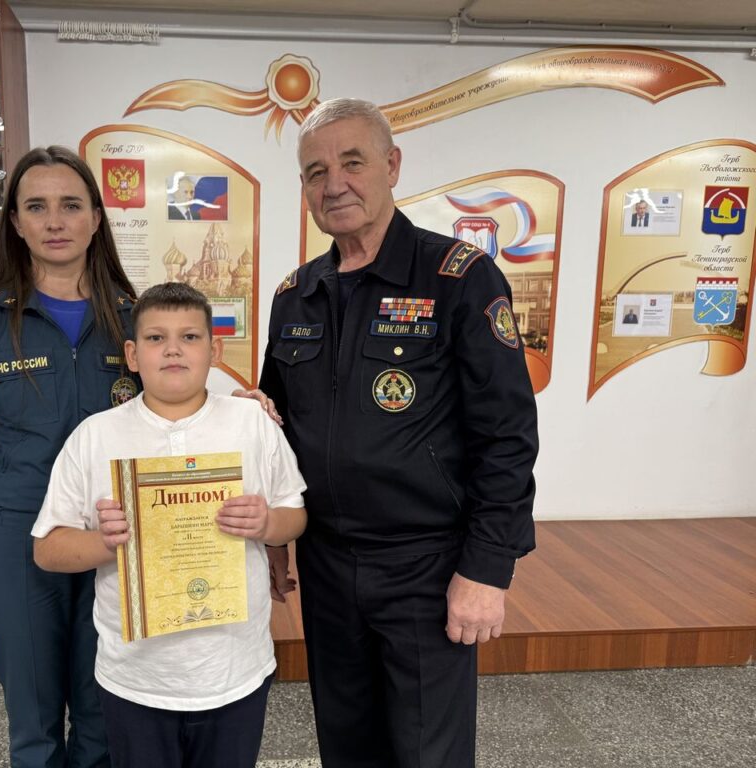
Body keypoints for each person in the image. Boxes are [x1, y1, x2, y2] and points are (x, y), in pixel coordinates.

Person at [258, 98, 538, 767]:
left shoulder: (458, 278)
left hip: (425, 564)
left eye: (352, 163)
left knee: (426, 753)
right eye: (315, 171)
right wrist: (273, 530)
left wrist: (486, 568)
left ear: (392, 166)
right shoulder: (296, 295)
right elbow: (275, 428)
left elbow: (507, 434)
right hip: (326, 563)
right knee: (346, 745)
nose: (334, 184)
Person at [32, 282, 307, 768]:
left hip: (234, 670)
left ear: (214, 352)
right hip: (137, 677)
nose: (174, 349)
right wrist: (104, 543)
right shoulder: (95, 436)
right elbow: (47, 549)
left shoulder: (251, 423)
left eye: (190, 337)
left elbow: (295, 516)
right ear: (132, 355)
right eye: (156, 338)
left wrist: (267, 523)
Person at [0, 145, 140, 768]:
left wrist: (247, 408)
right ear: (16, 223)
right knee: (33, 721)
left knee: (105, 713)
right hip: (16, 536)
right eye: (37, 207)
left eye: (71, 205)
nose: (55, 221)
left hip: (110, 534)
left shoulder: (133, 319)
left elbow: (178, 409)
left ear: (96, 219)